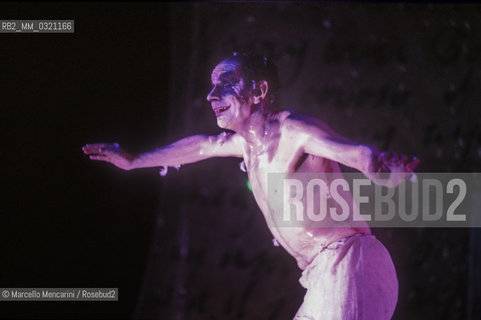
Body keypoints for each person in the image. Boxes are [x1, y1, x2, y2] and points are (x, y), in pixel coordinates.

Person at [82, 53, 419, 320]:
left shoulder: (295, 131)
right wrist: (135, 160)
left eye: (225, 84)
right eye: (212, 86)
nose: (212, 95)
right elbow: (201, 146)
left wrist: (381, 169)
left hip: (350, 262)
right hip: (321, 275)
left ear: (259, 91)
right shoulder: (245, 144)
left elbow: (356, 153)